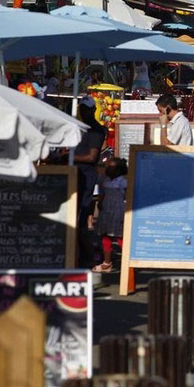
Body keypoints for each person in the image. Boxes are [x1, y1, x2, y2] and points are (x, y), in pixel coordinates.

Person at [73, 97, 108, 264]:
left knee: (81, 217)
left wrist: (70, 157)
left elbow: (92, 156)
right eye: (82, 108)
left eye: (86, 109)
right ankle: (84, 253)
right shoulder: (80, 127)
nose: (83, 111)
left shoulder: (95, 130)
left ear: (93, 110)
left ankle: (89, 255)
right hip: (77, 175)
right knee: (77, 216)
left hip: (85, 177)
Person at [92, 157, 128, 273]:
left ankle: (127, 262)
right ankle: (107, 263)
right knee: (105, 236)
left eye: (111, 167)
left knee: (120, 237)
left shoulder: (123, 181)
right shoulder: (105, 179)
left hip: (118, 211)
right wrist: (100, 202)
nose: (109, 169)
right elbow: (102, 193)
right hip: (106, 210)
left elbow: (127, 195)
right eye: (108, 166)